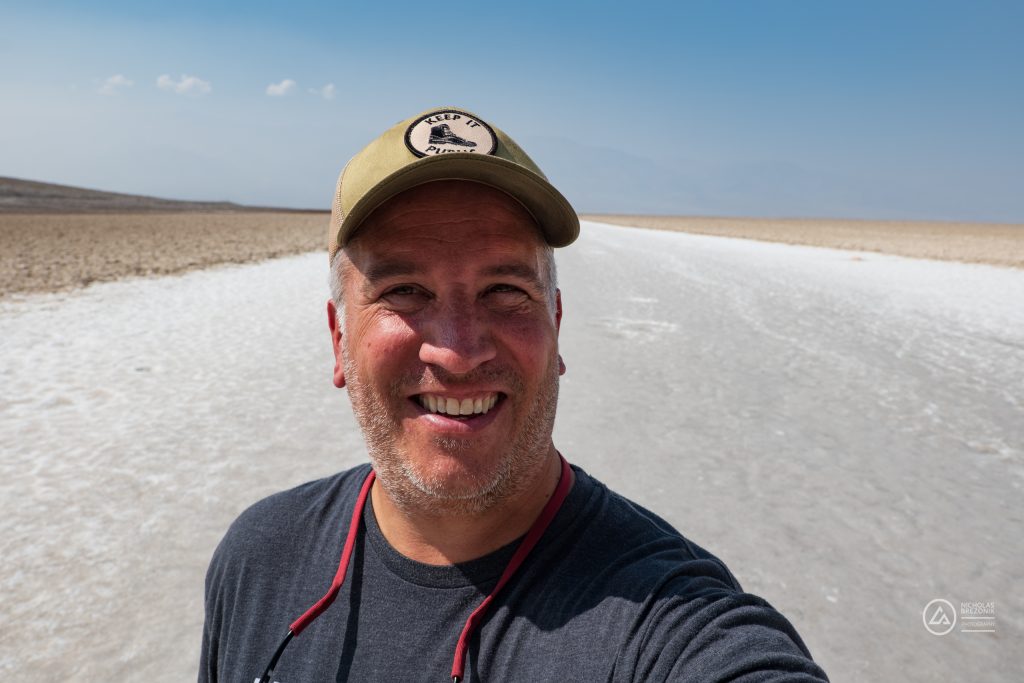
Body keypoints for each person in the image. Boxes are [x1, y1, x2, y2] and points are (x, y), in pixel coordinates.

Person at [199, 107, 829, 682]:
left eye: (505, 291)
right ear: (340, 339)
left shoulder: (665, 619)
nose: (458, 351)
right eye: (405, 291)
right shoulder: (261, 559)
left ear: (555, 327)